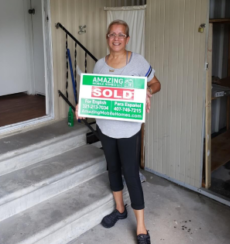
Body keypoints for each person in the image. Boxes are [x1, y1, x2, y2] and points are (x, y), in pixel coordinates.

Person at [76, 19, 161, 244]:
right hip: (105, 127)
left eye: (121, 35)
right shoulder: (100, 65)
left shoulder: (138, 62)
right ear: (107, 38)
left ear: (127, 39)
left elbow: (157, 83)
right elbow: (93, 93)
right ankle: (119, 210)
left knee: (131, 175)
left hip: (129, 130)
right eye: (112, 34)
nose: (116, 38)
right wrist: (81, 104)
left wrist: (147, 91)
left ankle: (141, 227)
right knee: (112, 169)